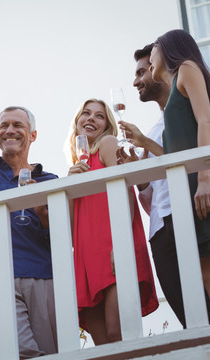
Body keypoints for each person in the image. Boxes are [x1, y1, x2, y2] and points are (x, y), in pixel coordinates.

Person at [147, 29, 210, 322]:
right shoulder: (176, 96)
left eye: (154, 47)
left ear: (166, 49)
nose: (150, 54)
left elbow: (206, 123)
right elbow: (177, 152)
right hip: (203, 181)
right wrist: (143, 144)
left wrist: (204, 179)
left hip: (206, 183)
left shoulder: (187, 69)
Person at [0, 106, 58, 359]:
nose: (10, 131)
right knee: (20, 353)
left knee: (54, 353)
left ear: (33, 135)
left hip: (44, 275)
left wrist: (40, 209)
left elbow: (63, 236)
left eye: (17, 125)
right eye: (3, 126)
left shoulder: (51, 181)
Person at [67, 98, 158, 345]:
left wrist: (120, 245)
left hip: (113, 250)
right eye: (86, 113)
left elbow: (125, 193)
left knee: (120, 333)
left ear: (107, 126)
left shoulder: (107, 144)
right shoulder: (78, 166)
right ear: (77, 122)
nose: (91, 119)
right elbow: (72, 224)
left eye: (99, 116)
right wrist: (69, 184)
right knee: (103, 343)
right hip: (87, 259)